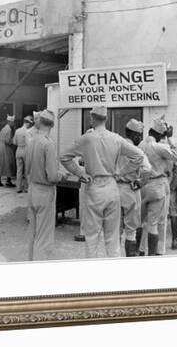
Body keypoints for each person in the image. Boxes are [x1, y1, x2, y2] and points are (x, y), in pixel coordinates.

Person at [60, 106, 145, 258]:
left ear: (92, 118)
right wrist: (121, 172)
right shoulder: (116, 138)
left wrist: (80, 173)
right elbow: (139, 156)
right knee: (112, 238)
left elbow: (64, 157)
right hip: (112, 186)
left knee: (92, 236)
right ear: (106, 119)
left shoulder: (86, 139)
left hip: (94, 187)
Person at [25, 110, 63, 260]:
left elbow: (27, 168)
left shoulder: (31, 141)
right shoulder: (48, 144)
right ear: (52, 125)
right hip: (45, 192)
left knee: (32, 234)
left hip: (32, 188)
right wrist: (61, 175)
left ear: (39, 123)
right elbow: (52, 176)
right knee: (44, 237)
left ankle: (30, 263)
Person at [138, 118, 177, 256]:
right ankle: (154, 254)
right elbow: (176, 156)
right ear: (160, 135)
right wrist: (169, 139)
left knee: (141, 221)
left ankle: (140, 250)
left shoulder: (140, 145)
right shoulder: (159, 146)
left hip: (143, 186)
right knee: (155, 223)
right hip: (158, 185)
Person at [115, 119, 151, 257]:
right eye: (140, 135)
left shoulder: (115, 147)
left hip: (114, 190)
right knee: (131, 231)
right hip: (130, 190)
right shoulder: (137, 151)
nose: (140, 138)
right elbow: (147, 171)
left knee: (114, 230)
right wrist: (141, 183)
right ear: (135, 135)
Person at [13, 115, 33, 194]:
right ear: (28, 123)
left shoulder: (17, 131)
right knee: (27, 171)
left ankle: (18, 188)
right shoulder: (29, 131)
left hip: (18, 150)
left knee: (19, 170)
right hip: (26, 150)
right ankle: (27, 188)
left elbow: (14, 142)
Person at [0, 115, 16, 187]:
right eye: (13, 122)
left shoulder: (3, 128)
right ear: (10, 122)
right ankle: (8, 181)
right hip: (6, 148)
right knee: (8, 163)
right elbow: (7, 141)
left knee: (1, 164)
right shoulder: (9, 129)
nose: (13, 123)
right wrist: (13, 141)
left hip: (1, 147)